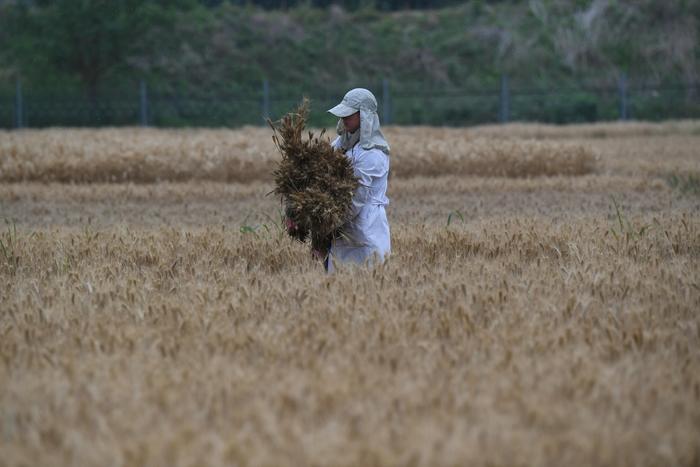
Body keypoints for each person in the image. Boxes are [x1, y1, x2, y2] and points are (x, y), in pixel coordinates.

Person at [325, 88, 391, 272]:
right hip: (342, 226)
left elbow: (357, 197)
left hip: (366, 225)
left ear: (364, 116)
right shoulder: (342, 143)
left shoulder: (373, 154)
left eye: (349, 114)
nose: (344, 119)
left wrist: (329, 224)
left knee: (370, 277)